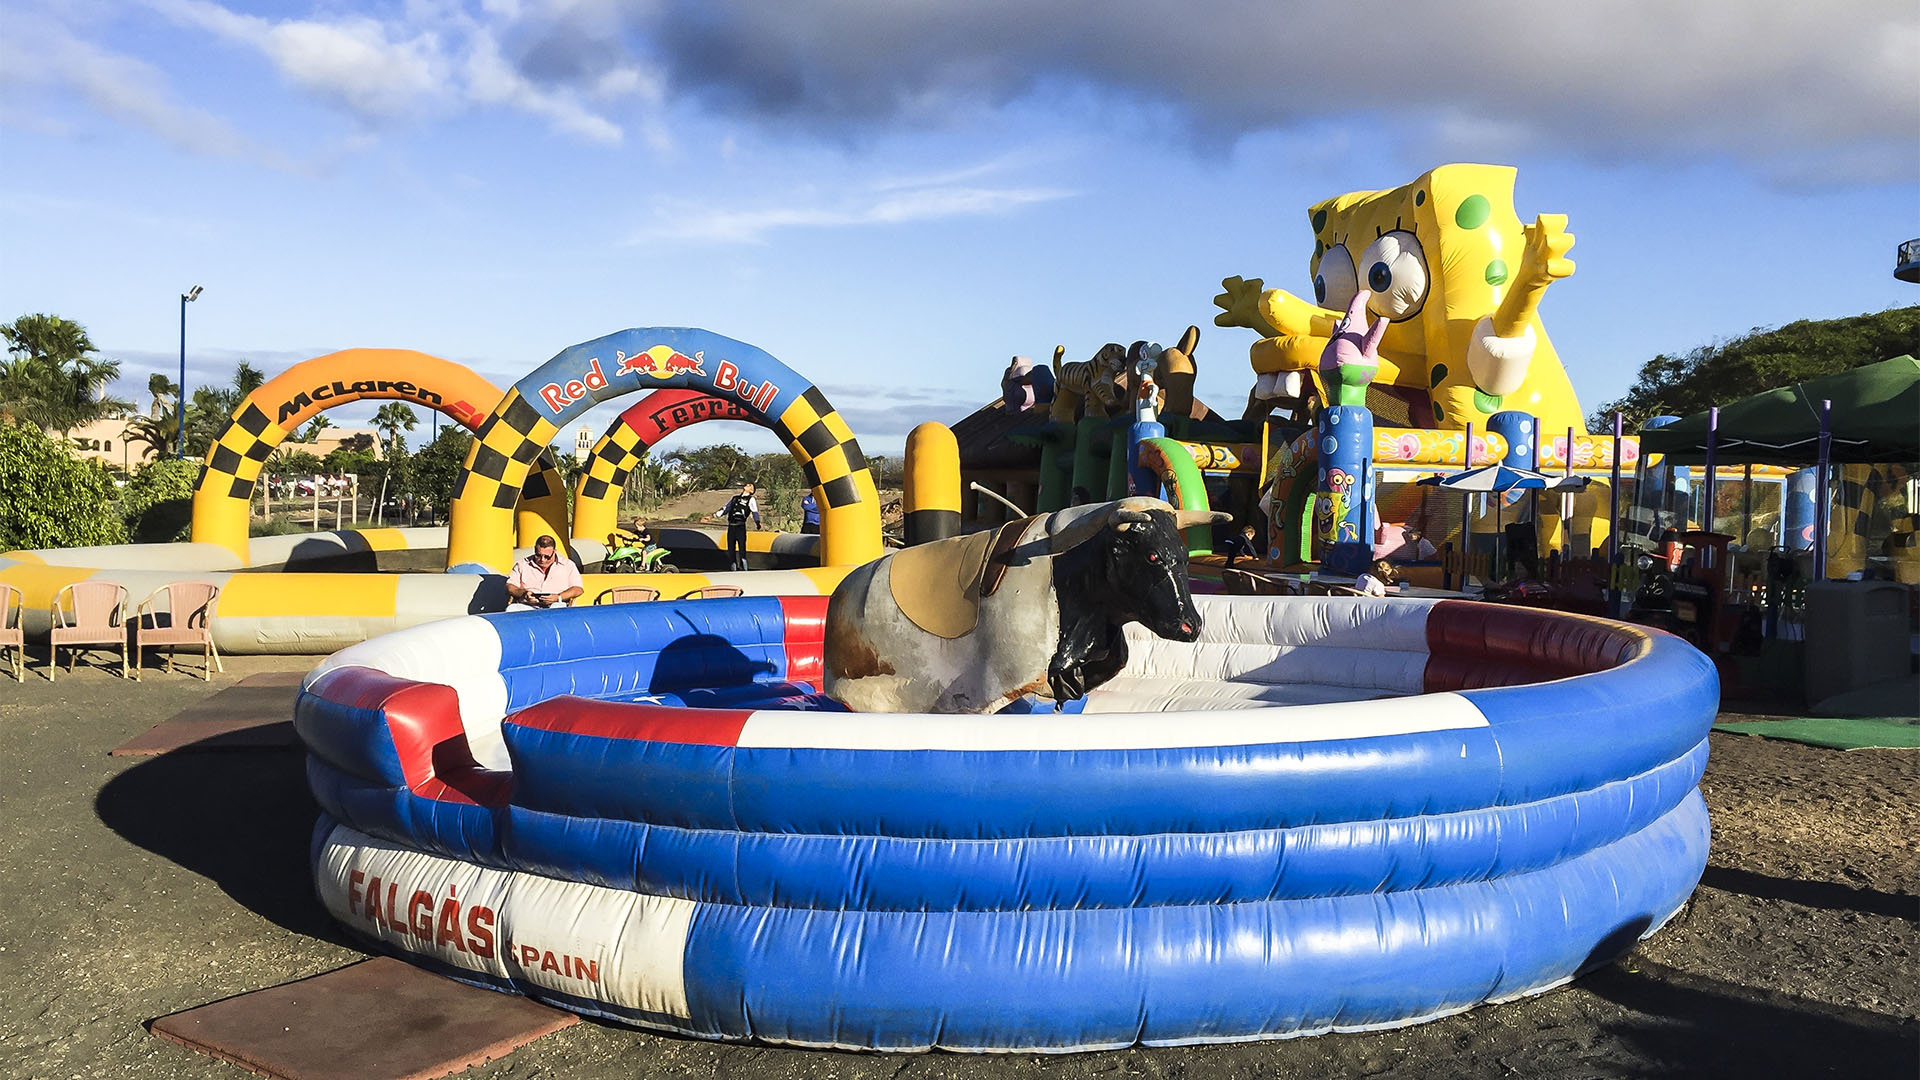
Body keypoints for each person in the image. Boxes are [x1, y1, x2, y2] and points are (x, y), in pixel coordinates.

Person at [506, 535, 583, 610]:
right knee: (512, 609)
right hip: (528, 605)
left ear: (554, 551)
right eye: (538, 555)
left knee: (557, 608)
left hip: (557, 604)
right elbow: (510, 586)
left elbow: (578, 589)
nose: (542, 560)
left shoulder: (568, 565)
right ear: (535, 550)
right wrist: (524, 594)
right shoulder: (522, 565)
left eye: (547, 557)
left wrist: (558, 597)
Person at [712, 483, 761, 572]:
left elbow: (754, 511)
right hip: (731, 527)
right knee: (731, 550)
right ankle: (733, 570)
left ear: (752, 491)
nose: (747, 485)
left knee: (742, 550)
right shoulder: (735, 498)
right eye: (747, 484)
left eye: (750, 485)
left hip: (740, 527)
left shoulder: (751, 499)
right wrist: (713, 516)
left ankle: (744, 570)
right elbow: (726, 509)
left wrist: (757, 522)